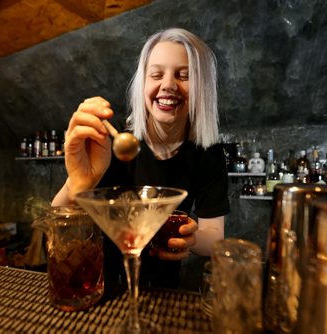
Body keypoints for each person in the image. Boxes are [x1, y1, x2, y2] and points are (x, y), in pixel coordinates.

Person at [52, 28, 230, 289]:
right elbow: (57, 221)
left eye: (184, 75)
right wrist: (78, 182)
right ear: (143, 84)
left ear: (202, 87)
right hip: (104, 285)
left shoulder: (209, 155)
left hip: (165, 291)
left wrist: (190, 238)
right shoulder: (110, 145)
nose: (168, 84)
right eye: (157, 74)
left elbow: (214, 237)